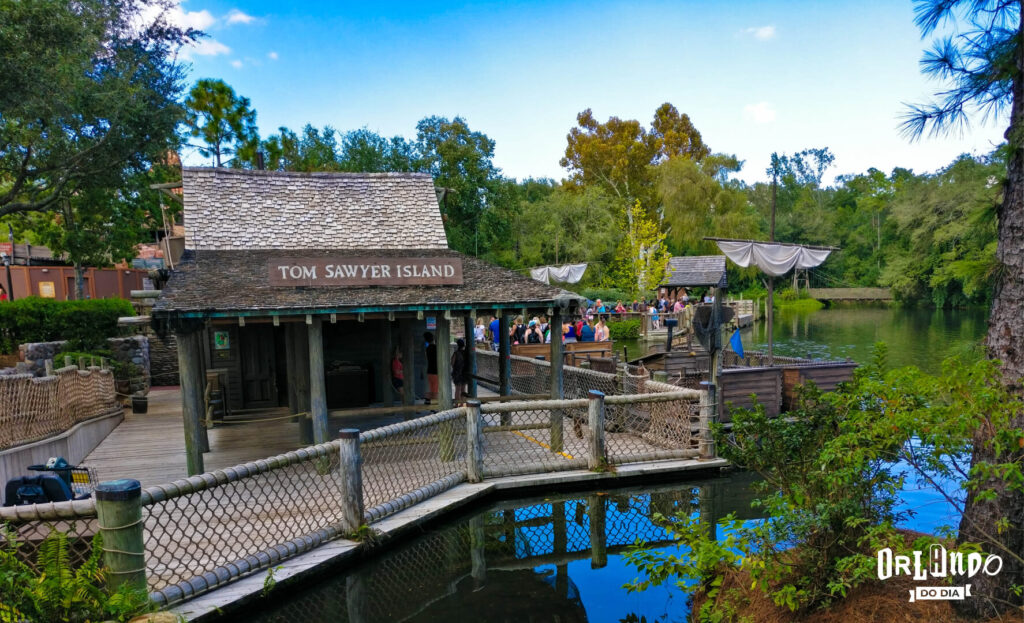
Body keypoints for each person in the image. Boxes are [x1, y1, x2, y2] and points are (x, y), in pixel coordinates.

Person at [451, 338, 467, 402]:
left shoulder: (456, 353)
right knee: (463, 389)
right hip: (465, 373)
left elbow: (452, 363)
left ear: (458, 345)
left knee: (457, 389)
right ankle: (462, 403)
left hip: (457, 373)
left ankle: (457, 403)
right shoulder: (466, 353)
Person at [424, 332, 438, 403]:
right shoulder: (437, 348)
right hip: (436, 371)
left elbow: (426, 359)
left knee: (431, 388)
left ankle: (429, 402)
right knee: (435, 389)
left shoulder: (427, 349)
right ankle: (435, 406)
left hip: (429, 371)